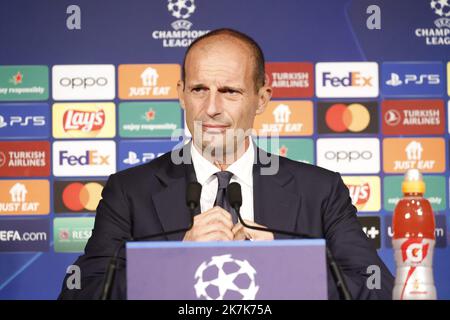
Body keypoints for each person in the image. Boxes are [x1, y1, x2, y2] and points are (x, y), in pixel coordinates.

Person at [58, 28, 394, 300]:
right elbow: (81, 293)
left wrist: (286, 265)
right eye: (199, 89)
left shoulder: (320, 191)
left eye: (230, 91)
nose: (212, 108)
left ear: (261, 98)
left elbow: (377, 289)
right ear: (180, 94)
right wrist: (176, 261)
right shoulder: (130, 192)